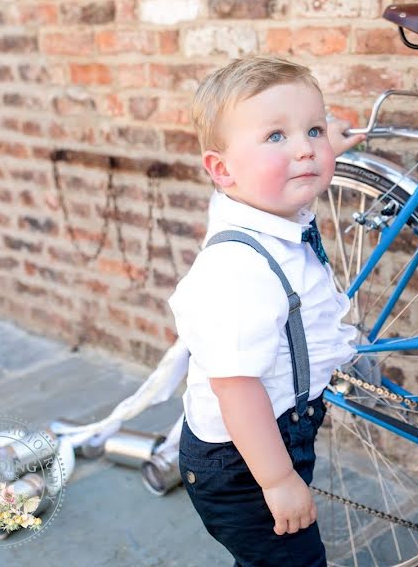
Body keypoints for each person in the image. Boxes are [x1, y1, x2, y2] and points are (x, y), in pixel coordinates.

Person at [168, 56, 365, 567]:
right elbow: (237, 389)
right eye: (276, 136)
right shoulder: (239, 269)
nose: (304, 149)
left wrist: (325, 148)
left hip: (274, 435)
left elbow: (299, 161)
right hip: (242, 461)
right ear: (222, 170)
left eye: (313, 130)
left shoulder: (264, 203)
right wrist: (277, 481)